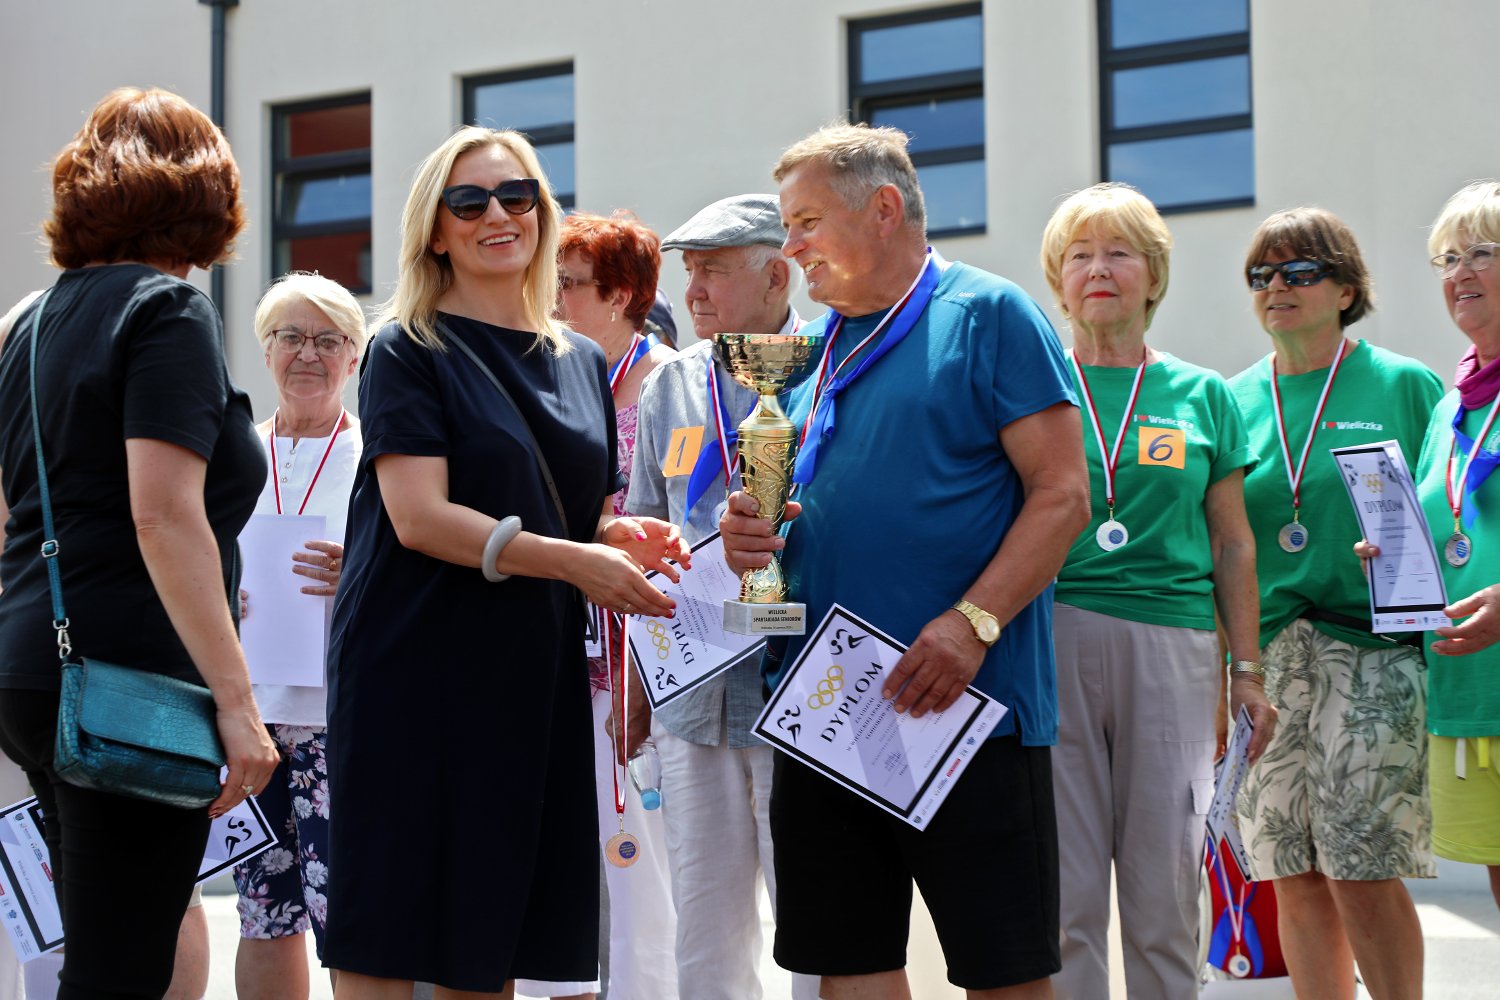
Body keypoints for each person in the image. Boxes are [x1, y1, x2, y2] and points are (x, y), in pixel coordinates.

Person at [722, 124, 1090, 1000]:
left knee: (1003, 972)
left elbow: (1063, 495)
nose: (792, 248)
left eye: (806, 222)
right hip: (824, 708)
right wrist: (749, 538)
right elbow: (803, 511)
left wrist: (972, 624)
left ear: (883, 209)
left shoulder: (989, 314)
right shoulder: (812, 352)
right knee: (849, 965)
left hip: (965, 707)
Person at [321, 126, 689, 999]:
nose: (498, 215)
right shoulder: (405, 346)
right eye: (469, 200)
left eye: (517, 195)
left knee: (491, 930)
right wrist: (576, 562)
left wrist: (617, 539)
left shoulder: (581, 359)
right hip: (413, 667)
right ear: (435, 230)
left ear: (542, 213)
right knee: (391, 927)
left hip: (527, 669)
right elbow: (420, 518)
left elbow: (569, 509)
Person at [0, 86, 279, 998]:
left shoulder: (27, 324)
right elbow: (162, 514)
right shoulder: (166, 310)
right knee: (119, 971)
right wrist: (236, 702)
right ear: (206, 192)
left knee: (98, 956)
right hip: (133, 684)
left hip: (35, 667)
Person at [1037, 183, 1273, 1000]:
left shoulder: (1203, 394)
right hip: (1051, 636)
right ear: (1058, 280)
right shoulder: (1032, 386)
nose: (1099, 270)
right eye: (1079, 256)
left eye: (1119, 253)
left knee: (1166, 884)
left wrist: (1247, 670)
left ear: (1154, 275)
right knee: (1065, 891)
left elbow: (1233, 543)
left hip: (1175, 646)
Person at [1230, 208, 1441, 1000]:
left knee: (1364, 865)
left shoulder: (1403, 384)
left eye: (1299, 272)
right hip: (1267, 661)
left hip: (1373, 651)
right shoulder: (1232, 398)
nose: (1276, 287)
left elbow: (1449, 515)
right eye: (1262, 275)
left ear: (1347, 289)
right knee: (1292, 868)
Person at [623, 193, 817, 1000]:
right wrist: (637, 692)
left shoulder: (831, 368)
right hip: (691, 696)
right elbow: (642, 534)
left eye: (714, 272)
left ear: (777, 277)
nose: (693, 291)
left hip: (799, 692)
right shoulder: (671, 385)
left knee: (816, 924)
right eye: (690, 271)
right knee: (703, 929)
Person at [530, 211, 677, 1000]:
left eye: (567, 284)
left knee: (638, 859)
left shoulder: (672, 384)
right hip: (561, 643)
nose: (550, 299)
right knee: (562, 851)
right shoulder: (557, 376)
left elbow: (681, 524)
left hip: (641, 653)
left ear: (620, 296)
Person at [232, 272, 367, 1000]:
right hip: (246, 720)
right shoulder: (233, 457)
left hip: (340, 718)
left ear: (354, 356)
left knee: (349, 917)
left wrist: (363, 570)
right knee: (262, 913)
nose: (307, 354)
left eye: (327, 340)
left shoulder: (379, 456)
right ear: (266, 351)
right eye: (290, 337)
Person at [1408, 180, 1500, 912]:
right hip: (1469, 695)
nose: (1460, 272)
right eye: (1448, 258)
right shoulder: (1450, 407)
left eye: (1483, 253)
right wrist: (1397, 554)